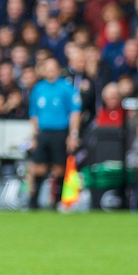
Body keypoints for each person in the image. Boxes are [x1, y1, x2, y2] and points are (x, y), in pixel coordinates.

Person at [26, 56, 82, 209]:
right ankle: (33, 202)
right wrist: (34, 136)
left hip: (59, 132)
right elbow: (34, 114)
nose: (50, 71)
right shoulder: (38, 88)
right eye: (47, 68)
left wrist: (73, 135)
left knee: (59, 167)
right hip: (43, 133)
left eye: (53, 68)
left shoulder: (66, 87)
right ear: (43, 70)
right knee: (38, 167)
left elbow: (75, 112)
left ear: (58, 69)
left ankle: (56, 202)